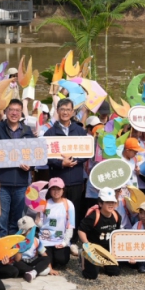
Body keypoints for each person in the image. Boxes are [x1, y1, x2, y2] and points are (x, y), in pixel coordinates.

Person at [0, 98, 35, 235]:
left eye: (17, 110)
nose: (14, 113)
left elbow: (34, 155)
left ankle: (14, 250)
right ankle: (1, 251)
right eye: (11, 110)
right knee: (1, 220)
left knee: (17, 220)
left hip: (21, 183)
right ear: (6, 111)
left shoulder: (27, 132)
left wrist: (30, 166)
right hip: (1, 183)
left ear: (22, 113)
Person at [45, 98, 88, 236]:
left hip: (75, 178)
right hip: (58, 179)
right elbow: (45, 156)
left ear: (72, 112)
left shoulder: (80, 131)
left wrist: (73, 160)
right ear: (57, 111)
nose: (65, 112)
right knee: (58, 209)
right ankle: (56, 236)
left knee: (74, 209)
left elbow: (87, 153)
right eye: (62, 109)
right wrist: (61, 163)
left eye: (68, 110)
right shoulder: (50, 133)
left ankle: (73, 239)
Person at [78, 187, 122, 280]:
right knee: (91, 275)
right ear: (100, 203)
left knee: (114, 272)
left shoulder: (117, 216)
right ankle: (83, 256)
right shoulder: (93, 217)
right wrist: (87, 245)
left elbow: (117, 234)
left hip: (108, 249)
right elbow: (81, 230)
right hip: (94, 248)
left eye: (112, 202)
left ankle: (101, 264)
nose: (111, 205)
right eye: (107, 202)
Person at [37, 177, 75, 274]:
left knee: (62, 260)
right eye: (53, 189)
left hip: (60, 239)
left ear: (63, 190)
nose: (56, 191)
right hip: (45, 239)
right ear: (49, 190)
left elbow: (70, 225)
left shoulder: (68, 204)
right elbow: (41, 224)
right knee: (48, 262)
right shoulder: (44, 203)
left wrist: (65, 243)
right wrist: (37, 221)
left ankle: (67, 249)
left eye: (58, 189)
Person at [13, 216, 50, 282]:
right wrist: (20, 247)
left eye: (31, 229)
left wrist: (50, 268)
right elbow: (17, 259)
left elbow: (44, 255)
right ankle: (36, 270)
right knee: (16, 264)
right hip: (23, 262)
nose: (30, 232)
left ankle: (32, 272)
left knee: (47, 259)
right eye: (28, 230)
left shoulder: (36, 240)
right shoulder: (17, 241)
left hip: (33, 261)